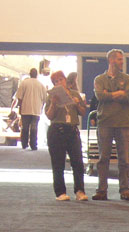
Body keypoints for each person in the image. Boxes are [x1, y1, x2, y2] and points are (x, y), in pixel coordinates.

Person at [92, 49, 129, 201]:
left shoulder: (128, 79)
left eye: (122, 59)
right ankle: (102, 190)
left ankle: (125, 190)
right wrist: (118, 93)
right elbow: (100, 96)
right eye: (119, 59)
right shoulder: (99, 79)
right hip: (105, 122)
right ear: (111, 60)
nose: (122, 62)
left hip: (123, 123)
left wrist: (109, 94)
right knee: (103, 158)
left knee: (124, 159)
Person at [44, 70, 88, 201]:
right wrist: (53, 103)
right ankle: (60, 192)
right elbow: (49, 115)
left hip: (72, 129)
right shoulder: (51, 96)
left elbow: (82, 112)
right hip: (57, 129)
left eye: (61, 80)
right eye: (56, 81)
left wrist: (77, 103)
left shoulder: (75, 94)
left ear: (65, 80)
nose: (59, 82)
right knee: (58, 163)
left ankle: (80, 191)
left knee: (78, 162)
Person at [13, 68, 47, 150]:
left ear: (30, 74)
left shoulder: (24, 83)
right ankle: (33, 145)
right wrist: (41, 108)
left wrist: (20, 107)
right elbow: (44, 99)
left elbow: (19, 97)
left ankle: (24, 144)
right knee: (34, 128)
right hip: (36, 110)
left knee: (25, 127)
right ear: (37, 75)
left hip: (25, 109)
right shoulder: (41, 85)